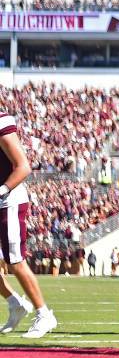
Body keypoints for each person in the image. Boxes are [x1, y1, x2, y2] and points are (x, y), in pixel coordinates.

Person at [0, 110, 57, 337]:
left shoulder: (1, 121)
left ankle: (44, 314)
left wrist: (1, 190)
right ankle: (15, 303)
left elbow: (23, 166)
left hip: (8, 200)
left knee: (15, 260)